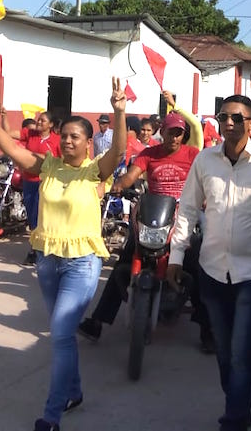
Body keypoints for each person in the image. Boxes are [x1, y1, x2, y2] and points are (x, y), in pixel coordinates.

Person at [0, 79, 126, 431]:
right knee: (64, 335)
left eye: (76, 137)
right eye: (65, 135)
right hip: (47, 260)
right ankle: (73, 392)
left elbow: (117, 151)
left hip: (82, 263)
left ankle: (52, 414)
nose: (68, 141)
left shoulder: (94, 171)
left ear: (89, 143)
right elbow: (13, 151)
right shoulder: (48, 165)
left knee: (59, 333)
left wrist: (119, 112)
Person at [167, 95, 251, 431]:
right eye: (224, 116)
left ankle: (235, 419)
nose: (229, 123)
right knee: (226, 354)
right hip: (212, 271)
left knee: (242, 353)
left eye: (237, 118)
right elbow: (186, 209)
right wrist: (176, 254)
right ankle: (238, 402)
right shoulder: (204, 161)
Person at [78, 110, 213, 350]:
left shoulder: (194, 155)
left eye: (179, 133)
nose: (174, 137)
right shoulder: (149, 154)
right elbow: (132, 174)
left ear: (184, 135)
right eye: (170, 131)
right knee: (125, 260)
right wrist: (119, 185)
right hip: (154, 216)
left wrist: (206, 196)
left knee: (196, 265)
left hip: (183, 218)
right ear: (163, 132)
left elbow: (207, 180)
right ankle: (97, 322)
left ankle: (207, 330)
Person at [0, 108, 61, 265]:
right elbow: (7, 133)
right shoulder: (29, 133)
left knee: (39, 215)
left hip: (46, 183)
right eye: (39, 119)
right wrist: (4, 116)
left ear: (51, 124)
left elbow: (63, 162)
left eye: (43, 120)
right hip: (29, 182)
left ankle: (37, 250)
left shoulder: (57, 140)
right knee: (32, 216)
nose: (39, 122)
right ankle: (36, 246)